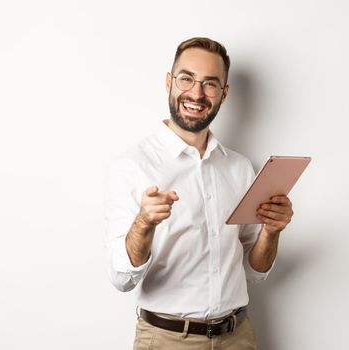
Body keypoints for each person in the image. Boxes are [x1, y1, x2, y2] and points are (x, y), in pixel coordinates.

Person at [105, 37, 294, 350]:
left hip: (238, 337)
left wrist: (271, 232)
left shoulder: (240, 167)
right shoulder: (132, 166)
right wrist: (144, 223)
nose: (196, 93)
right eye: (186, 78)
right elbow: (121, 279)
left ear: (224, 93)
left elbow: (254, 271)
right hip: (167, 341)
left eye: (210, 84)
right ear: (169, 81)